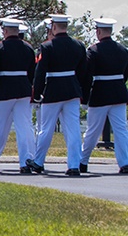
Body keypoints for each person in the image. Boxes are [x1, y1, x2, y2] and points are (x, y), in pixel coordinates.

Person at [27, 14, 88, 176]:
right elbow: (84, 73)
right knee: (73, 129)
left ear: (54, 27)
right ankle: (74, 164)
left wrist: (37, 93)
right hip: (72, 90)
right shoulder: (79, 45)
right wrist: (80, 89)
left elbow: (40, 73)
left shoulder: (47, 47)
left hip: (53, 91)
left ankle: (39, 162)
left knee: (46, 129)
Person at [0, 18, 36, 173]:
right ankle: (25, 161)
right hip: (23, 91)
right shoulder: (28, 48)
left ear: (6, 30)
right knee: (23, 127)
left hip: (4, 91)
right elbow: (32, 73)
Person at [79, 18, 128, 174]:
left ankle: (83, 161)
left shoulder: (93, 51)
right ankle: (125, 162)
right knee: (121, 130)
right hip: (119, 94)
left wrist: (85, 98)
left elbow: (87, 76)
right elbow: (125, 74)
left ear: (98, 31)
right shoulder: (123, 50)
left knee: (92, 130)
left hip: (100, 94)